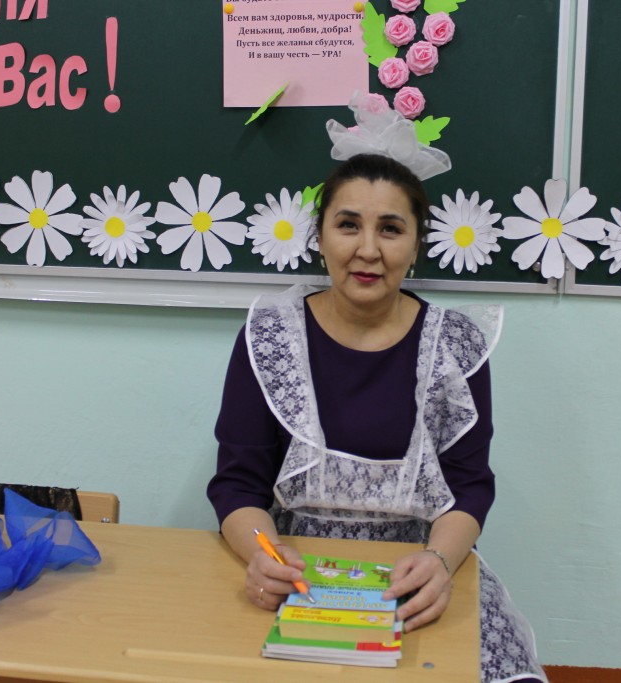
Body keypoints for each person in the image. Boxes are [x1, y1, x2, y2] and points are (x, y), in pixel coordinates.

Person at [207, 150, 546, 682]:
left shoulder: (454, 344)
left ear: (416, 246)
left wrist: (439, 563)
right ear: (320, 238)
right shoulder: (271, 336)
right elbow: (237, 484)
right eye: (348, 225)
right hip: (301, 572)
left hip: (417, 572)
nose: (368, 250)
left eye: (390, 229)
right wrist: (263, 556)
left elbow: (470, 486)